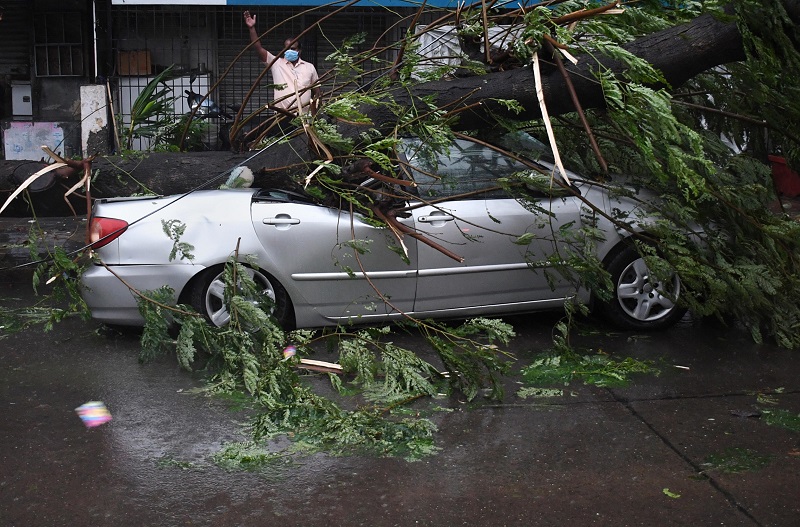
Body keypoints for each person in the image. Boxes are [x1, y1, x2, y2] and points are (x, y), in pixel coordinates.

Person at [243, 10, 321, 117]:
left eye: (292, 48)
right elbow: (258, 49)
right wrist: (251, 28)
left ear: (299, 51)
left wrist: (315, 113)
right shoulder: (276, 63)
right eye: (287, 48)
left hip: (304, 117)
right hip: (281, 116)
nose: (289, 51)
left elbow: (317, 92)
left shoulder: (309, 67)